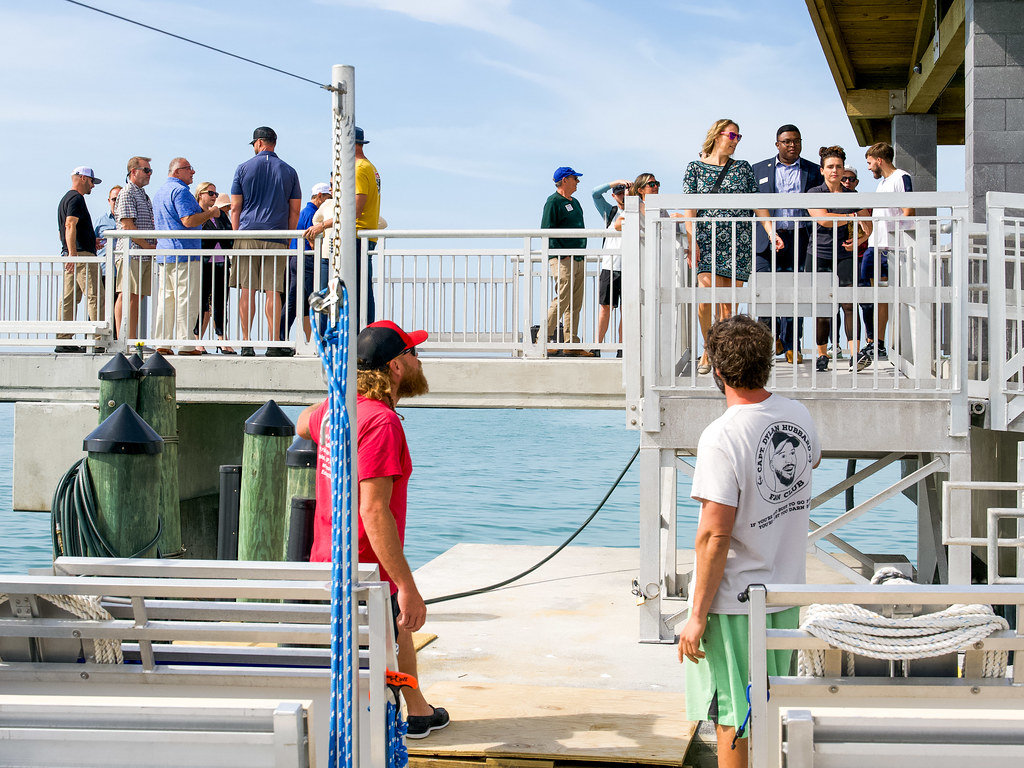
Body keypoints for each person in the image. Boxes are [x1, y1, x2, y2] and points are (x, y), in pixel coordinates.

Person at [678, 314, 821, 768]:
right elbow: (810, 462)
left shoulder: (721, 436)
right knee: (769, 710)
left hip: (735, 602)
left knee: (733, 716)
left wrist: (696, 616)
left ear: (717, 371)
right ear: (769, 363)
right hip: (785, 592)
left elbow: (714, 534)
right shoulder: (798, 415)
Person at [296, 320, 450, 740]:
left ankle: (417, 710)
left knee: (401, 627)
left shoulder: (336, 411)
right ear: (396, 368)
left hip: (327, 560)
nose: (420, 361)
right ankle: (401, 714)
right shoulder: (381, 423)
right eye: (413, 354)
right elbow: (374, 511)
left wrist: (339, 394)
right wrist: (407, 585)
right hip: (364, 569)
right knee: (403, 615)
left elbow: (300, 422)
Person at [683, 120, 781, 374]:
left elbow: (756, 203)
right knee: (706, 296)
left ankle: (721, 354)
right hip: (707, 238)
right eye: (732, 135)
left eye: (739, 136)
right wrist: (692, 240)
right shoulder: (695, 168)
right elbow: (690, 210)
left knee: (729, 303)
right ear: (717, 136)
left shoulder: (742, 169)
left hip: (738, 240)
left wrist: (771, 231)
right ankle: (708, 347)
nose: (736, 140)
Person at [751, 124, 824, 365]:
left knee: (795, 294)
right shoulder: (758, 169)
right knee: (765, 293)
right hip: (766, 239)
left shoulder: (814, 170)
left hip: (799, 238)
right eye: (787, 141)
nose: (792, 145)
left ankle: (793, 344)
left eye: (796, 141)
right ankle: (766, 344)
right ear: (777, 144)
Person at [230, 126, 302, 356]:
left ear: (259, 142)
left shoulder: (243, 168)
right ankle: (274, 343)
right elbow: (295, 211)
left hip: (247, 234)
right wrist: (289, 238)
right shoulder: (289, 171)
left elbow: (234, 207)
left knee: (247, 290)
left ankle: (246, 342)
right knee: (274, 291)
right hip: (277, 236)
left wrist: (235, 236)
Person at [807, 146, 873, 372]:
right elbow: (823, 220)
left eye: (838, 166)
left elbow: (868, 225)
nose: (835, 171)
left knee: (849, 303)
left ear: (844, 169)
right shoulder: (814, 193)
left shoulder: (854, 196)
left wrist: (860, 239)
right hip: (818, 254)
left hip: (845, 254)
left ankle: (854, 354)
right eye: (830, 167)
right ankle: (822, 355)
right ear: (822, 170)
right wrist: (852, 216)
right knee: (823, 307)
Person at [151, 158, 222, 355]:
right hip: (185, 254)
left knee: (167, 299)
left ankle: (162, 343)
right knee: (186, 300)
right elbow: (188, 220)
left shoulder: (160, 192)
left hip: (165, 254)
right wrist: (210, 213)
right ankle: (186, 344)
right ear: (177, 172)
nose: (193, 172)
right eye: (189, 169)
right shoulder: (181, 191)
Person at [860, 142, 914, 367]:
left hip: (891, 247)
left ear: (879, 160)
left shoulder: (901, 177)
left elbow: (908, 210)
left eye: (870, 163)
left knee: (889, 297)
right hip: (875, 246)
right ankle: (876, 342)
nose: (869, 167)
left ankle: (884, 343)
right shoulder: (882, 184)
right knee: (874, 297)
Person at [541, 166, 594, 357]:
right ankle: (543, 339)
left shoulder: (576, 202)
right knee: (562, 298)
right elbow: (546, 230)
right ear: (564, 180)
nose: (577, 182)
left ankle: (571, 343)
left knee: (575, 303)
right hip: (563, 259)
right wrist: (560, 253)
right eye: (574, 178)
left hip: (578, 257)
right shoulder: (553, 202)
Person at [55, 166, 105, 353]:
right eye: (92, 181)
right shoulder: (76, 198)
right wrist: (74, 254)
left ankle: (64, 338)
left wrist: (90, 241)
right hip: (80, 256)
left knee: (69, 298)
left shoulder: (66, 198)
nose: (93, 186)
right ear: (83, 178)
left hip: (73, 254)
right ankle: (99, 340)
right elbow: (70, 224)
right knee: (95, 296)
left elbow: (66, 228)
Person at [113, 156, 157, 341]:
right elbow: (127, 226)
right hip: (131, 252)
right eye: (146, 170)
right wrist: (147, 246)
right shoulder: (127, 193)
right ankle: (124, 339)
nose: (149, 174)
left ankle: (132, 338)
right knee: (127, 294)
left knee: (136, 296)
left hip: (142, 253)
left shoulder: (142, 194)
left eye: (150, 171)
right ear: (133, 172)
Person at [283, 182, 331, 343]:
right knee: (315, 299)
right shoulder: (314, 213)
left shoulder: (305, 211)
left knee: (296, 301)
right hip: (307, 260)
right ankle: (319, 340)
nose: (328, 202)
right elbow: (313, 240)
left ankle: (283, 337)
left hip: (297, 259)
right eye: (327, 198)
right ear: (319, 197)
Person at [192, 182, 234, 353]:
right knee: (201, 303)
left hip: (221, 263)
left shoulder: (221, 215)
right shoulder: (196, 214)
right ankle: (197, 340)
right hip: (203, 264)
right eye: (210, 193)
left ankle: (222, 339)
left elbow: (229, 236)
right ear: (200, 194)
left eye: (215, 194)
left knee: (220, 302)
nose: (214, 197)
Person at [593, 178, 632, 350]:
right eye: (618, 193)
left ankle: (622, 348)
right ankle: (596, 347)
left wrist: (632, 197)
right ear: (613, 196)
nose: (622, 195)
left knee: (626, 310)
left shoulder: (639, 210)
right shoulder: (610, 211)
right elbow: (595, 194)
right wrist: (615, 182)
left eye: (624, 192)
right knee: (605, 308)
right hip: (610, 266)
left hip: (630, 266)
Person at [94, 184, 123, 310]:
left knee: (120, 309)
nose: (116, 202)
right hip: (104, 271)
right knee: (99, 308)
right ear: (108, 200)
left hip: (122, 272)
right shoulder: (101, 221)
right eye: (114, 199)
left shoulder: (130, 220)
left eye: (120, 199)